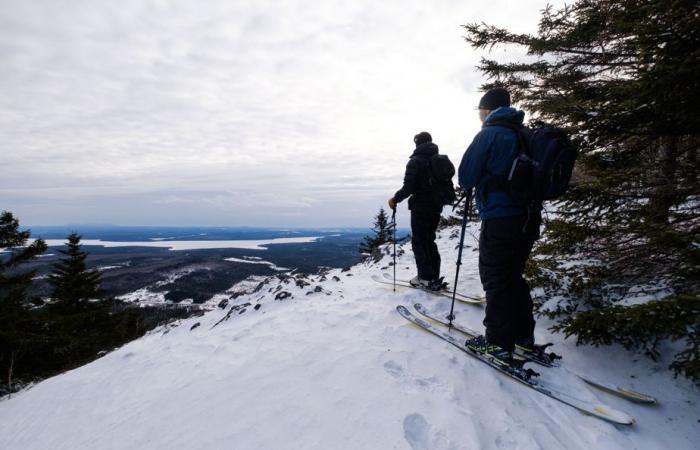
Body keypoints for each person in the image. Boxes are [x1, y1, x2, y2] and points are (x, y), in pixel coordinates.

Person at [458, 88, 542, 362]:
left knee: (495, 278)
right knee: (513, 277)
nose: (479, 117)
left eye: (480, 111)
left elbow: (466, 177)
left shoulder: (490, 134)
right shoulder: (524, 134)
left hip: (500, 217)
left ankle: (498, 342)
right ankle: (523, 338)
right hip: (527, 218)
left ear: (487, 110)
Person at [388, 132, 446, 291]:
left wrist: (395, 199)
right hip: (436, 207)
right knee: (429, 241)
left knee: (419, 241)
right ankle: (433, 276)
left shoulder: (416, 161)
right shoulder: (438, 160)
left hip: (421, 207)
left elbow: (409, 187)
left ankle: (425, 278)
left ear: (417, 144)